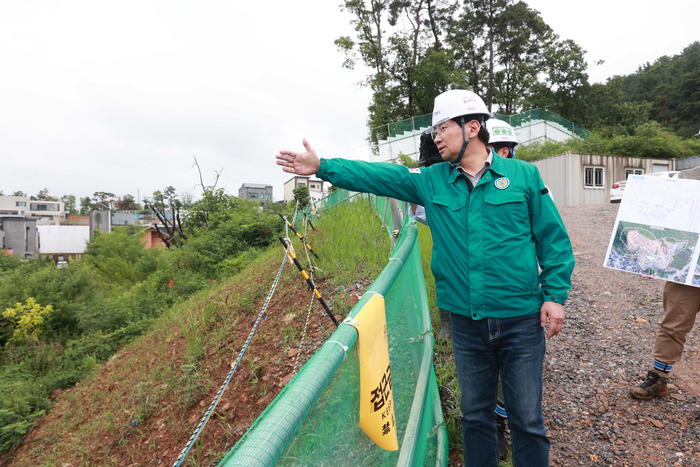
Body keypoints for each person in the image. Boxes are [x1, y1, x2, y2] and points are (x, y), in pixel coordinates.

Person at [276, 89, 575, 467]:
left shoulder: (523, 176)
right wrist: (323, 166)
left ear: (472, 127)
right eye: (434, 130)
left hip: (520, 318)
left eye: (443, 128)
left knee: (527, 419)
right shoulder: (432, 181)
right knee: (476, 415)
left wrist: (555, 295)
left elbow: (553, 240)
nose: (436, 136)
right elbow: (382, 176)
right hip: (466, 322)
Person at [630, 132, 700, 400]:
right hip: (686, 270)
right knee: (673, 325)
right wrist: (651, 264)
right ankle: (658, 379)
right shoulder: (684, 180)